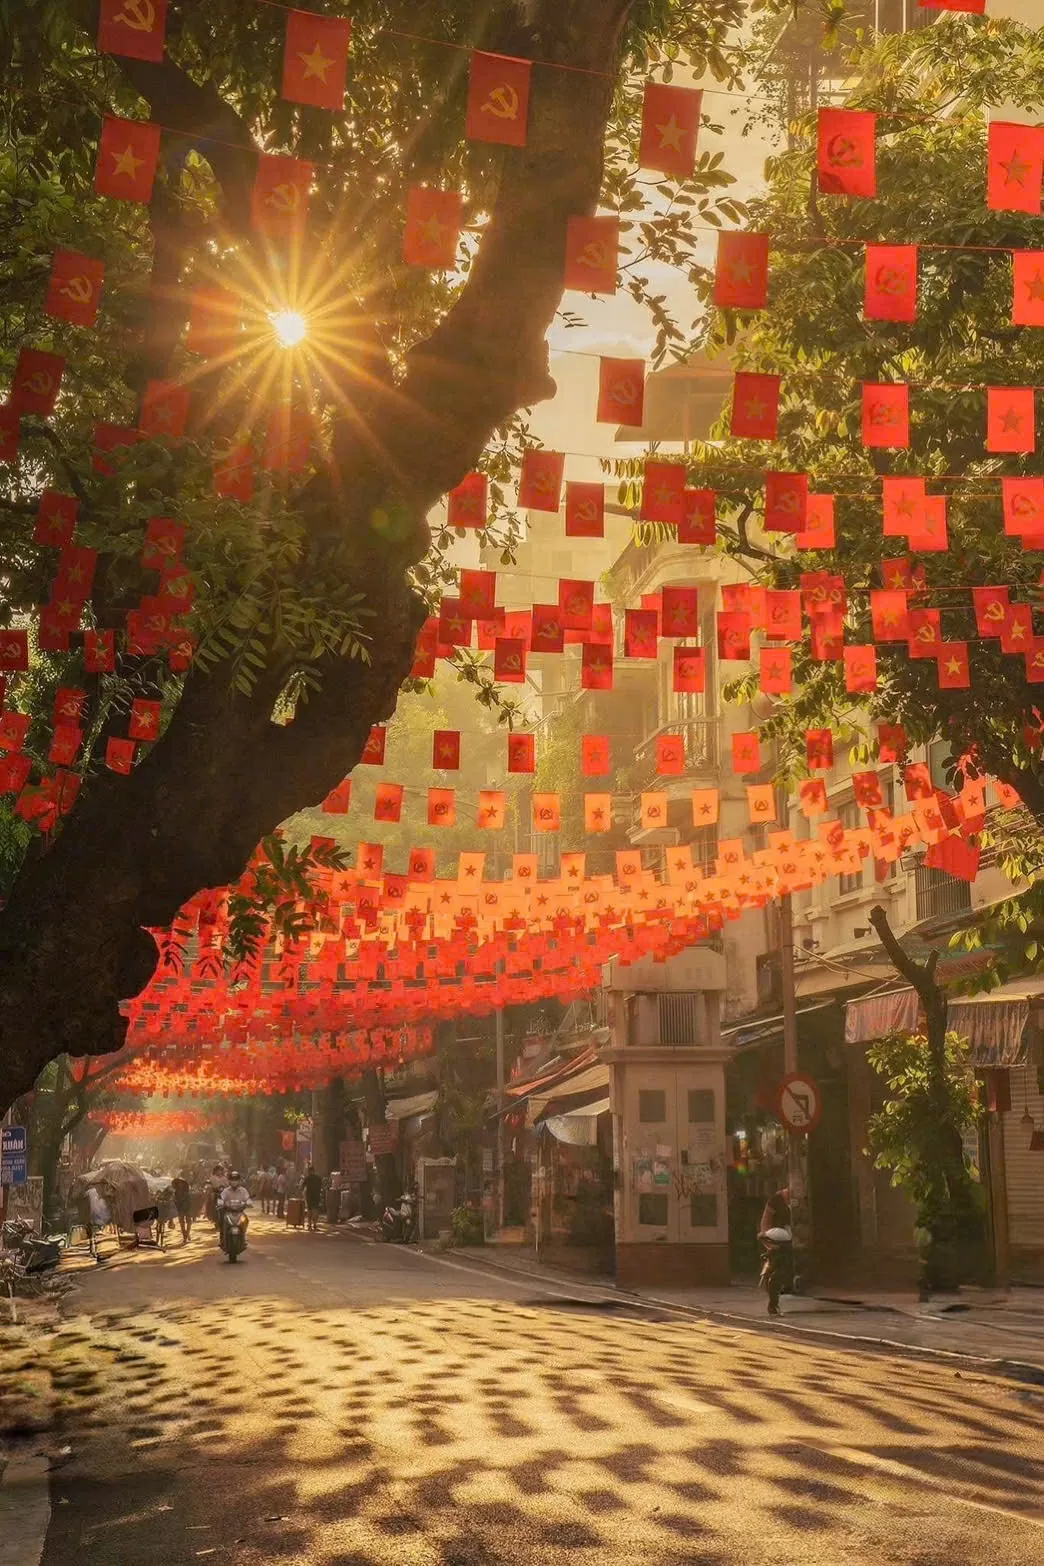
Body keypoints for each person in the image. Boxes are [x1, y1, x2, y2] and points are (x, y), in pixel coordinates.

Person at [758, 1186, 793, 1317]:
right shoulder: (775, 1201)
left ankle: (775, 1302)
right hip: (777, 1241)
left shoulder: (799, 1200)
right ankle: (773, 1304)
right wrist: (768, 1243)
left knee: (785, 1270)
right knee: (778, 1273)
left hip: (790, 1241)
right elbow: (765, 1222)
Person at [217, 1170, 252, 1252]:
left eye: (236, 1179)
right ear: (229, 1181)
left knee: (246, 1220)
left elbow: (247, 1198)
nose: (234, 1181)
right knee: (221, 1221)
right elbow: (221, 1198)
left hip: (240, 1212)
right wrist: (220, 1203)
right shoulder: (226, 1191)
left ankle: (244, 1235)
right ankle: (222, 1239)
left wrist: (248, 1202)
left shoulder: (243, 1190)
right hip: (228, 1212)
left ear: (239, 1181)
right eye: (232, 1179)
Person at [172, 1171, 193, 1244]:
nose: (180, 1184)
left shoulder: (187, 1194)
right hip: (180, 1208)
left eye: (181, 1183)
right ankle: (185, 1235)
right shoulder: (175, 1193)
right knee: (182, 1222)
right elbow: (174, 1201)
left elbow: (189, 1202)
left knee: (189, 1222)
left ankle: (187, 1233)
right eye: (178, 1183)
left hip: (187, 1208)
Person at [302, 1165, 323, 1232]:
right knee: (315, 1210)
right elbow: (321, 1186)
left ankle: (310, 1224)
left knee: (309, 1210)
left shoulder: (307, 1178)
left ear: (309, 1171)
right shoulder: (319, 1178)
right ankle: (315, 1224)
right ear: (314, 1171)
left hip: (309, 1196)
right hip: (316, 1196)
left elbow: (302, 1186)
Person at [205, 1164, 226, 1229]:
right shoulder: (212, 1177)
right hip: (215, 1193)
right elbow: (209, 1185)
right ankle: (214, 1218)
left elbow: (228, 1185)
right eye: (218, 1170)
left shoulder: (224, 1178)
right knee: (212, 1202)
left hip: (223, 1193)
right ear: (215, 1171)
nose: (219, 1172)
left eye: (220, 1170)